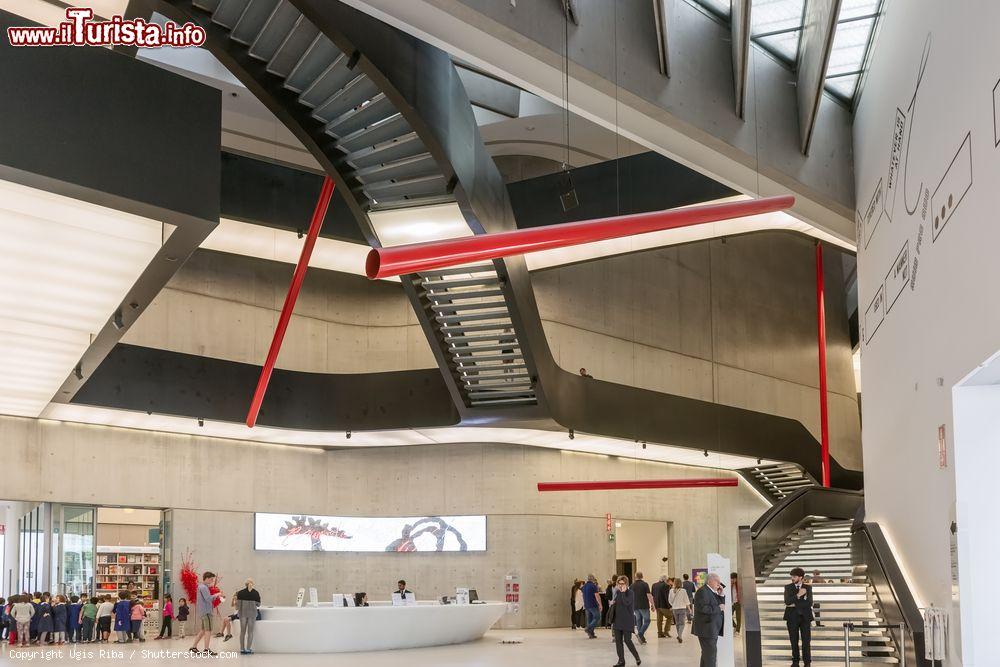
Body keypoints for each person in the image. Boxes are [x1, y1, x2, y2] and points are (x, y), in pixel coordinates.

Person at [692, 573, 725, 667]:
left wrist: (721, 595)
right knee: (711, 655)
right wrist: (718, 608)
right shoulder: (702, 591)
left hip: (711, 628)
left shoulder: (711, 591)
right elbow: (704, 608)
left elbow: (721, 606)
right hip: (706, 629)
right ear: (710, 581)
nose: (719, 584)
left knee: (707, 654)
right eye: (717, 581)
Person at [784, 567, 813, 667]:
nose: (792, 578)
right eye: (792, 576)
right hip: (792, 617)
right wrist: (798, 595)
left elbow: (809, 602)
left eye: (794, 576)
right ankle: (795, 661)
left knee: (806, 641)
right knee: (793, 640)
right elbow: (787, 602)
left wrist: (794, 604)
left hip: (805, 617)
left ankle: (807, 662)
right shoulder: (788, 587)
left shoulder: (808, 587)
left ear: (801, 577)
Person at [609, 576, 641, 666]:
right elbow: (615, 604)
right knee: (618, 642)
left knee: (627, 640)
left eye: (622, 583)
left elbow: (627, 602)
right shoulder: (617, 592)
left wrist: (622, 593)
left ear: (626, 584)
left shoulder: (630, 593)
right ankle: (621, 661)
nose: (620, 585)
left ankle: (637, 657)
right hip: (617, 620)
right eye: (619, 583)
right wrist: (612, 603)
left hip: (627, 621)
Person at [190, 571, 222, 656]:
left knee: (203, 630)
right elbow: (208, 599)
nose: (212, 581)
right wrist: (217, 595)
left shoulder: (201, 587)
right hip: (206, 612)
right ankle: (206, 649)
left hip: (203, 611)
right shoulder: (203, 587)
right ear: (207, 578)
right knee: (208, 630)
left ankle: (193, 647)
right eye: (211, 579)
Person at [235, 578, 261, 655]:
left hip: (242, 614)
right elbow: (258, 604)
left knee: (242, 632)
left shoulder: (240, 593)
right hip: (252, 614)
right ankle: (248, 649)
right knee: (250, 632)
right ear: (252, 584)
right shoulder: (256, 593)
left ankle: (242, 649)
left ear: (245, 584)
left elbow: (237, 606)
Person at [631, 572, 654, 644]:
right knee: (647, 620)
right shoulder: (645, 584)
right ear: (642, 576)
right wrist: (653, 604)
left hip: (635, 606)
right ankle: (640, 634)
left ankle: (642, 639)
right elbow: (649, 595)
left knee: (639, 621)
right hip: (643, 605)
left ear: (635, 577)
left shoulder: (632, 585)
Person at [669, 578, 692, 643]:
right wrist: (689, 609)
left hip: (675, 609)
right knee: (682, 623)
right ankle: (680, 635)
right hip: (682, 608)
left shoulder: (671, 591)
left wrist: (673, 605)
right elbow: (686, 600)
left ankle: (679, 635)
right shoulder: (683, 590)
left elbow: (669, 600)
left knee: (677, 623)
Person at [581, 574, 602, 638]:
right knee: (597, 617)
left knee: (589, 619)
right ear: (593, 579)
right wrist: (600, 604)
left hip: (586, 605)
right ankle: (588, 628)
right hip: (593, 604)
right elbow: (597, 596)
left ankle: (591, 634)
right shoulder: (593, 586)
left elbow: (583, 595)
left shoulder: (584, 586)